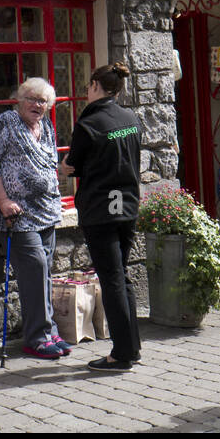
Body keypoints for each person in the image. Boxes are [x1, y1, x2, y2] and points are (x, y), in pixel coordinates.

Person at [58, 63, 141, 372]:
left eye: (88, 85)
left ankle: (120, 354)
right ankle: (132, 346)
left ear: (95, 86)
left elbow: (72, 164)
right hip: (127, 207)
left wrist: (66, 167)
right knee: (123, 275)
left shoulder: (89, 123)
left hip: (101, 210)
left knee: (112, 279)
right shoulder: (131, 118)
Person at [0, 78, 69, 360]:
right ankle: (36, 337)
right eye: (31, 99)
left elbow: (51, 163)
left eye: (43, 101)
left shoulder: (46, 126)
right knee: (34, 271)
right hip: (17, 215)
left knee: (44, 272)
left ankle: (48, 329)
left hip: (47, 211)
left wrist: (56, 194)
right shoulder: (6, 122)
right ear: (19, 100)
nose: (37, 105)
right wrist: (3, 201)